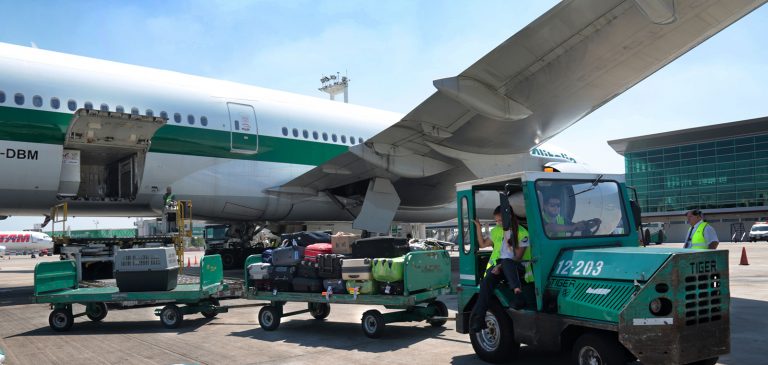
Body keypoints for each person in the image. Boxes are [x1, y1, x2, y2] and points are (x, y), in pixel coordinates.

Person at [470, 206, 530, 332]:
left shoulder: (523, 233)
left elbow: (517, 257)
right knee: (486, 283)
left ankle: (518, 295)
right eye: (496, 221)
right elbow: (482, 244)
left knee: (507, 262)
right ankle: (479, 319)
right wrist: (478, 228)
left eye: (500, 220)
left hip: (516, 267)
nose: (498, 223)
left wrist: (500, 265)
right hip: (500, 268)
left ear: (509, 218)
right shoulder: (496, 230)